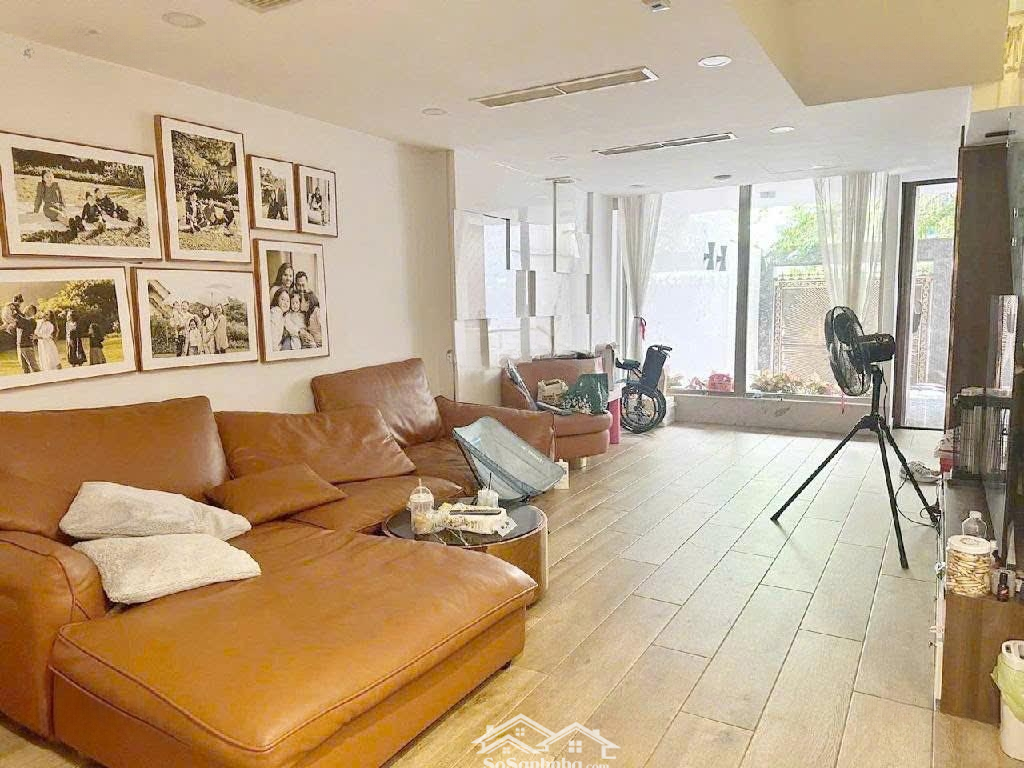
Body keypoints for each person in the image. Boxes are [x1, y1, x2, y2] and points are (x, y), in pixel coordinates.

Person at [14, 305, 40, 373]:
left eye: (30, 309)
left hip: (27, 346)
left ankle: (41, 378)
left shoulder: (32, 321)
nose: (27, 309)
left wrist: (17, 310)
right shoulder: (20, 319)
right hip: (19, 346)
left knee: (34, 367)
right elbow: (16, 325)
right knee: (24, 368)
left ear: (33, 313)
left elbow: (24, 323)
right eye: (27, 308)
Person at [268, 287, 289, 352]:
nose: (285, 303)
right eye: (282, 299)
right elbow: (272, 337)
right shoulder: (275, 312)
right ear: (277, 300)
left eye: (288, 301)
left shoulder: (281, 314)